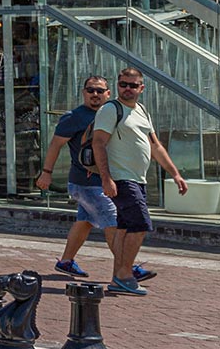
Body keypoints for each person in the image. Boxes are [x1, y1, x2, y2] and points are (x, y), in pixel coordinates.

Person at [92, 67, 189, 296]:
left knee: (125, 228)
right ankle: (125, 275)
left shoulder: (142, 110)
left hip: (138, 178)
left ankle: (118, 276)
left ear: (141, 88)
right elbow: (98, 143)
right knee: (141, 224)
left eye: (132, 85)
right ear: (117, 85)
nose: (127, 89)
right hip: (122, 178)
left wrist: (175, 173)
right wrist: (106, 179)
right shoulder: (110, 110)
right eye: (123, 84)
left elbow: (155, 145)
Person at [38, 76, 124, 280]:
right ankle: (125, 269)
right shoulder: (74, 117)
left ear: (108, 93)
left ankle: (66, 261)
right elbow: (55, 145)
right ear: (84, 92)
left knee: (85, 221)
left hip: (98, 182)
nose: (95, 94)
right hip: (87, 184)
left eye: (100, 91)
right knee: (114, 221)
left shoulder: (110, 114)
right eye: (91, 90)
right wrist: (46, 172)